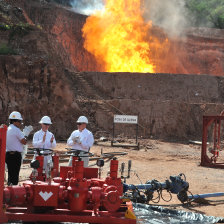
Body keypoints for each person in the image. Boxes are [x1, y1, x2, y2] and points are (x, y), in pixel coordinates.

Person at [6, 111, 27, 185]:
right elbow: (24, 142)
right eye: (19, 121)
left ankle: (9, 190)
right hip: (15, 156)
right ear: (15, 121)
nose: (20, 123)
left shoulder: (7, 129)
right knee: (15, 176)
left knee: (10, 175)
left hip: (8, 155)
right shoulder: (17, 130)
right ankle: (14, 191)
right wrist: (26, 135)